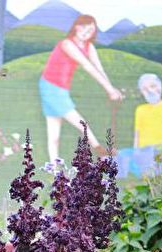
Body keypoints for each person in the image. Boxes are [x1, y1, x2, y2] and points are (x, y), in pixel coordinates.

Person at [39, 15, 123, 161]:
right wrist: (109, 90)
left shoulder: (89, 47)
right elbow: (88, 66)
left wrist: (111, 89)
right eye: (84, 27)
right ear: (76, 27)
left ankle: (54, 169)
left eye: (90, 30)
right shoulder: (67, 44)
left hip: (61, 89)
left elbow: (99, 69)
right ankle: (98, 149)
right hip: (51, 88)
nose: (86, 31)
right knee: (80, 122)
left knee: (54, 134)